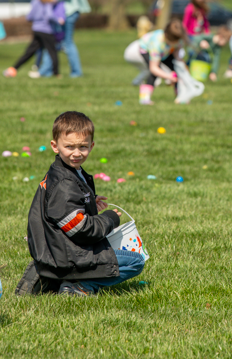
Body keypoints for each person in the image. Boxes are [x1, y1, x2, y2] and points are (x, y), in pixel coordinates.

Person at [19, 111, 145, 296]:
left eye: (83, 147)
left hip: (60, 248)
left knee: (116, 251)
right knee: (136, 261)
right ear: (55, 146)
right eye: (69, 147)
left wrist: (88, 201)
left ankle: (55, 275)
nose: (76, 153)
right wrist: (109, 220)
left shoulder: (65, 172)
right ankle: (77, 286)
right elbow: (80, 229)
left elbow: (64, 208)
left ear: (91, 146)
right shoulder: (64, 183)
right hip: (66, 254)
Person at [41, 0, 90, 78]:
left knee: (66, 42)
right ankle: (46, 70)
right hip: (69, 10)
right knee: (58, 42)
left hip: (67, 12)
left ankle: (75, 72)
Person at [3, 0, 65, 79]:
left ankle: (13, 69)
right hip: (46, 30)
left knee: (29, 52)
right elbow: (49, 15)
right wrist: (58, 20)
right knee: (52, 51)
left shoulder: (35, 1)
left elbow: (29, 16)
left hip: (36, 29)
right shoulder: (47, 2)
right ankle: (56, 73)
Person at [124, 20, 186, 105]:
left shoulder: (178, 39)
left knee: (177, 68)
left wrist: (181, 67)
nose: (176, 43)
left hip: (165, 51)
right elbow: (153, 68)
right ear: (166, 35)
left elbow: (177, 55)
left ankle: (180, 97)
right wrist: (168, 76)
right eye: (173, 42)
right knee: (155, 72)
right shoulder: (157, 42)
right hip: (146, 50)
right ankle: (145, 98)